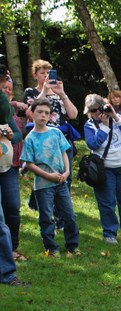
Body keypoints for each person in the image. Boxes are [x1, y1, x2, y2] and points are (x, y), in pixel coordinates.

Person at [23, 59, 80, 229]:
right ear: (35, 75)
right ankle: (44, 212)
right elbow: (28, 112)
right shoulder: (31, 92)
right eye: (42, 73)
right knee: (45, 176)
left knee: (64, 178)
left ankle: (62, 218)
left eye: (49, 73)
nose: (46, 76)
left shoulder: (59, 92)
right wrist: (44, 92)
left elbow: (74, 114)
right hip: (40, 139)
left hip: (60, 139)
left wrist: (61, 94)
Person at [20, 98, 80, 257]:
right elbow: (30, 164)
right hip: (42, 185)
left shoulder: (56, 132)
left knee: (69, 215)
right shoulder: (30, 139)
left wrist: (67, 172)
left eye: (46, 113)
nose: (43, 116)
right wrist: (48, 175)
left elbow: (64, 153)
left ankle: (73, 246)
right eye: (39, 112)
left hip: (61, 182)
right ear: (32, 114)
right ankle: (51, 248)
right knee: (46, 218)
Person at [83, 94, 121, 245]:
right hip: (105, 169)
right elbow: (93, 144)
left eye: (98, 109)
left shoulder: (117, 118)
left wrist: (114, 116)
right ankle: (109, 233)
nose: (96, 113)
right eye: (92, 111)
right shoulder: (89, 125)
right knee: (107, 202)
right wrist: (104, 127)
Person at [0, 71, 27, 261]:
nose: (6, 92)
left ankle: (13, 247)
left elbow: (18, 136)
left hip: (8, 167)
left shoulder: (7, 113)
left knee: (12, 205)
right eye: (4, 88)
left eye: (8, 90)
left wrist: (10, 135)